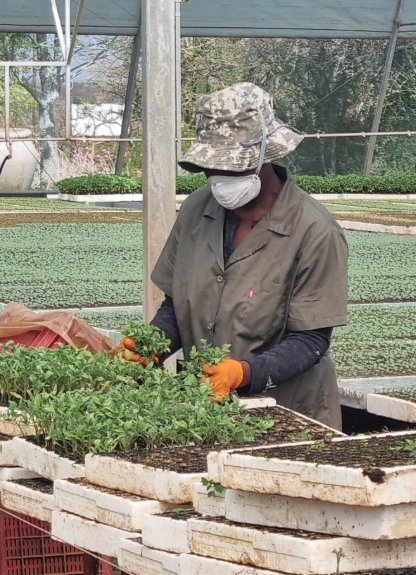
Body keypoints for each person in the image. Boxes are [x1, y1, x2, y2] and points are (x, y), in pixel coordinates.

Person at [149, 82, 348, 430]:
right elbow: (177, 305)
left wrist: (244, 372)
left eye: (231, 167)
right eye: (213, 168)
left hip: (290, 415)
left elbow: (311, 341)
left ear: (264, 158)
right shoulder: (197, 210)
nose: (220, 177)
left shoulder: (315, 231)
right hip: (207, 412)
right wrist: (149, 346)